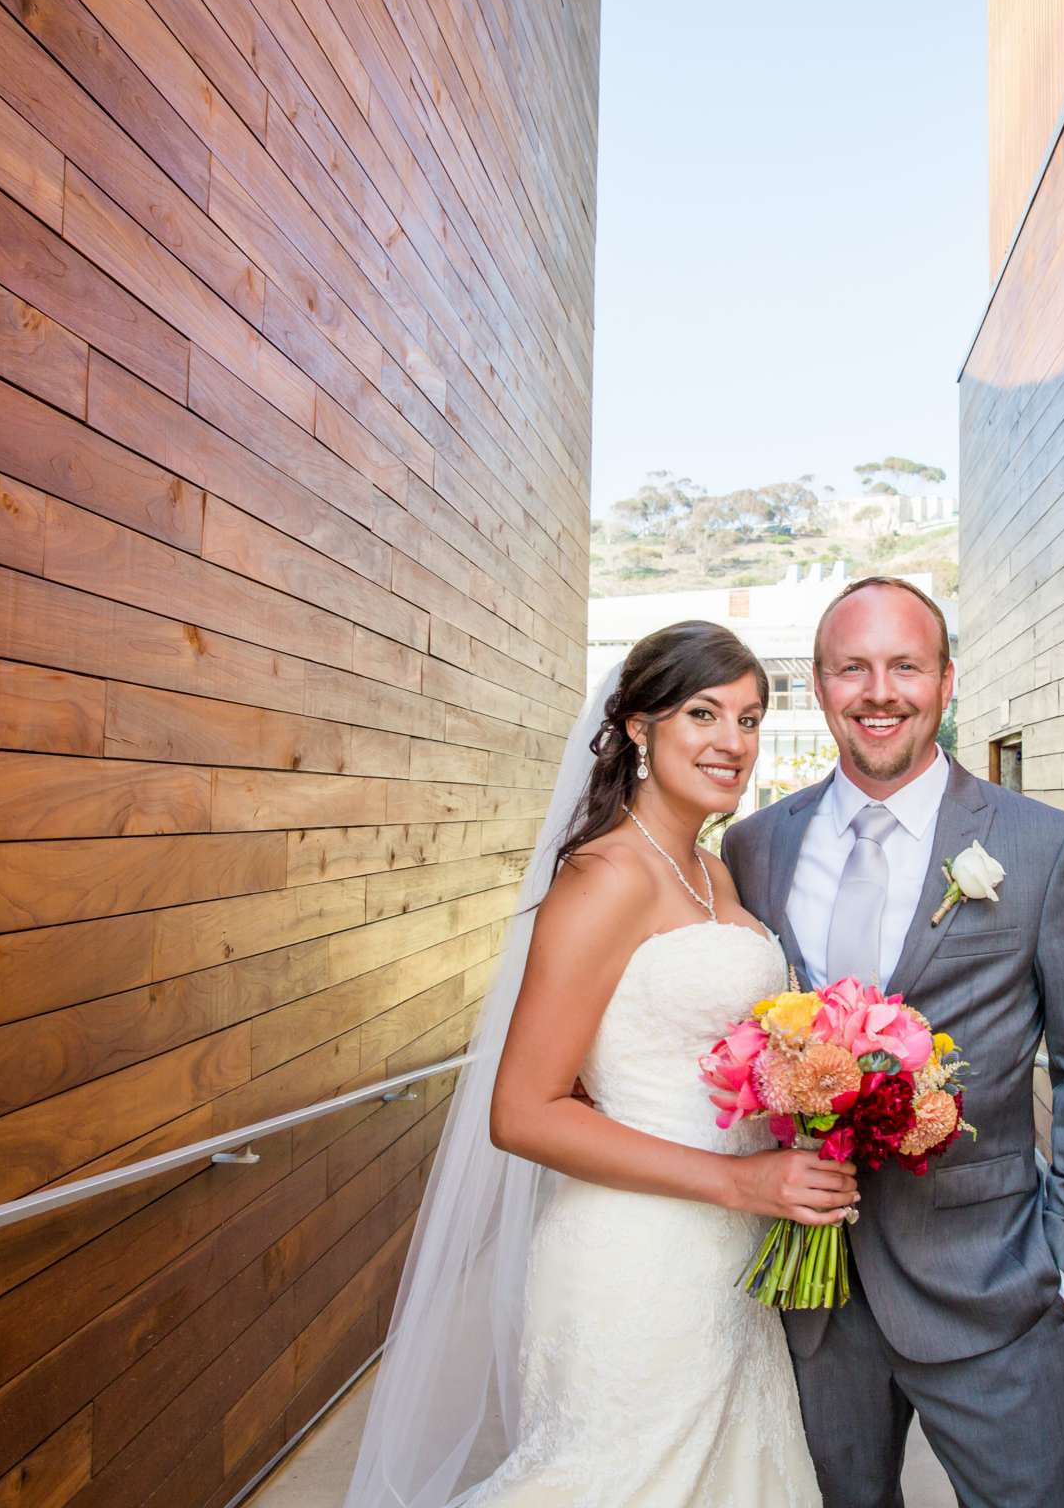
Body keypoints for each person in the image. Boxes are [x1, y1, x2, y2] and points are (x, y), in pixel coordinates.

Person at [349, 620, 833, 1507]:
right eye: (703, 712)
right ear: (640, 729)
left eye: (752, 718)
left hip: (728, 1261)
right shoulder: (606, 875)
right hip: (634, 1257)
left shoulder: (714, 872)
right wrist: (741, 1185)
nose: (734, 741)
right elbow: (523, 1111)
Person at [722, 575, 1064, 1508]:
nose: (880, 692)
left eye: (905, 665)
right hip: (813, 1298)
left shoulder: (1041, 848)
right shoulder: (754, 849)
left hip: (996, 1288)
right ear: (820, 688)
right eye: (852, 668)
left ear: (947, 681)